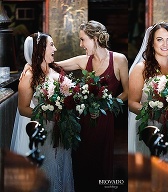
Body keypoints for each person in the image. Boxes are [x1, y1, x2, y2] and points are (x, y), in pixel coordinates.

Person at [55, 20, 130, 190]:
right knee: (81, 161)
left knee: (100, 164)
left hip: (104, 120)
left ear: (95, 38)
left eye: (83, 40)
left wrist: (106, 106)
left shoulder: (119, 60)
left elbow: (127, 92)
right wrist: (30, 66)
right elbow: (55, 65)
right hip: (82, 121)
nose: (81, 45)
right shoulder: (83, 60)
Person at [13, 32, 75, 192]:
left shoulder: (54, 68)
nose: (55, 48)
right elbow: (23, 108)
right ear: (41, 50)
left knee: (59, 167)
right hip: (42, 131)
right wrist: (48, 116)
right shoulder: (29, 76)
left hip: (59, 130)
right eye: (51, 45)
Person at [127, 22, 168, 165]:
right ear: (151, 43)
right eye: (159, 39)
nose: (165, 44)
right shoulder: (141, 68)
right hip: (150, 127)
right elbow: (132, 103)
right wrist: (154, 114)